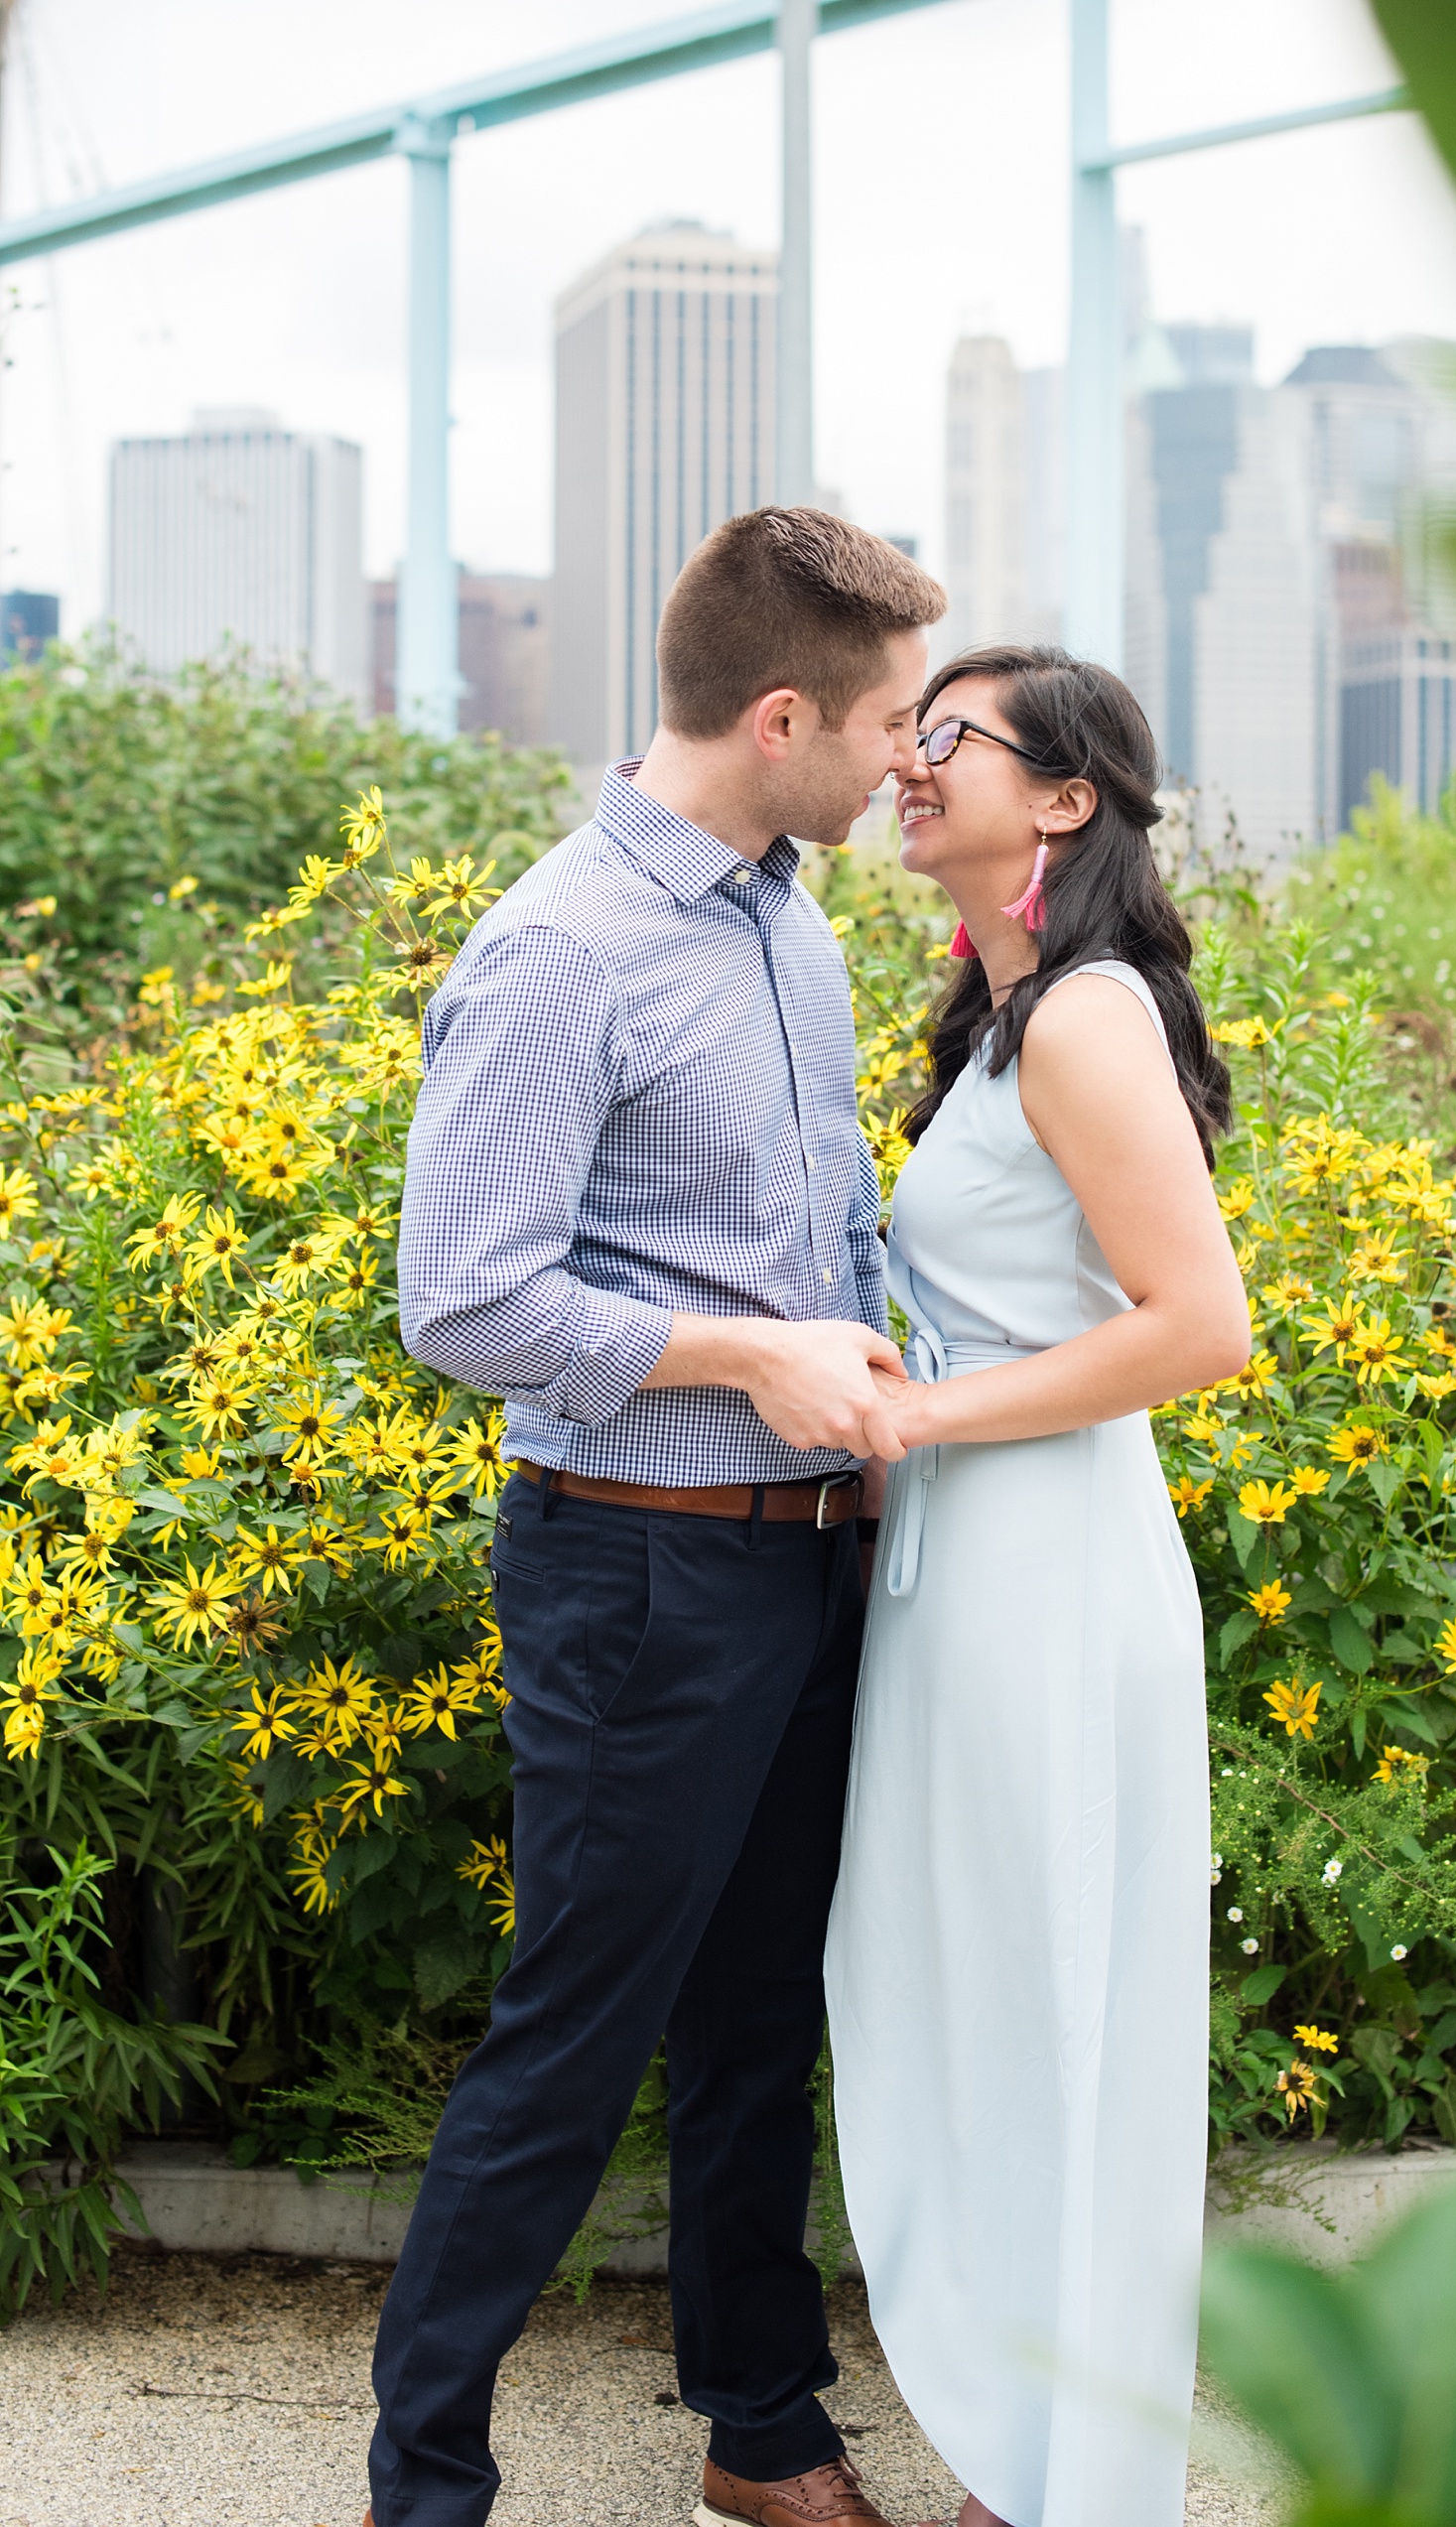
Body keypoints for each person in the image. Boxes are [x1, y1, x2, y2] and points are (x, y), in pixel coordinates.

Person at [371, 508, 947, 2527]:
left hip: (807, 1560)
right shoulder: (556, 950)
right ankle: (420, 2488)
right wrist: (746, 1359)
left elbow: (821, 1229)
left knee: (754, 2019)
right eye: (886, 720)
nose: (911, 759)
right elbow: (461, 1298)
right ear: (780, 713)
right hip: (637, 1569)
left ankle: (760, 2427)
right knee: (573, 2037)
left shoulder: (789, 913)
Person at [825, 646, 1250, 2527]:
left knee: (1053, 2008)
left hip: (1050, 1587)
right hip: (973, 1573)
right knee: (980, 1998)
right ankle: (1028, 2458)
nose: (909, 763)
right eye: (906, 738)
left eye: (950, 740)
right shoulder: (1002, 1017)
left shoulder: (1082, 1018)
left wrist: (925, 1416)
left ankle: (1061, 2479)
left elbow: (1201, 1326)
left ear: (1064, 798)